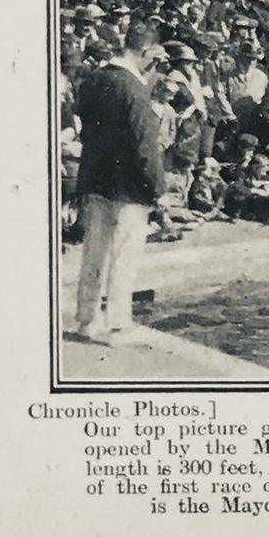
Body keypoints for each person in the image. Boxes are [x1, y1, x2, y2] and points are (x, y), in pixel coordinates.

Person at [74, 21, 164, 343]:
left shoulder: (92, 81)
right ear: (145, 52)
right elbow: (145, 146)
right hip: (129, 186)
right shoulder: (135, 89)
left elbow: (87, 128)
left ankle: (87, 320)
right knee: (125, 254)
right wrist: (156, 187)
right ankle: (117, 324)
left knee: (94, 252)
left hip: (96, 179)